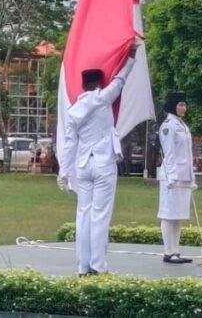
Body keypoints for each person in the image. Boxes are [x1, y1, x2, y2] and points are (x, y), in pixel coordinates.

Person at [58, 41, 139, 276]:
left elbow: (70, 144)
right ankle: (98, 265)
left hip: (83, 166)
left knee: (83, 215)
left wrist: (64, 172)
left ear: (83, 85)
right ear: (99, 83)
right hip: (103, 164)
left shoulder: (73, 111)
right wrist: (131, 54)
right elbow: (121, 79)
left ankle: (82, 266)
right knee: (100, 215)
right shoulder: (103, 98)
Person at [157, 92, 196, 264]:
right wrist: (171, 177)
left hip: (184, 175)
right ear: (173, 106)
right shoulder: (168, 126)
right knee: (168, 213)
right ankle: (168, 252)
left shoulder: (182, 125)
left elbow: (188, 154)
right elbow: (169, 153)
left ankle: (176, 250)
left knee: (179, 215)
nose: (184, 108)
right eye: (180, 104)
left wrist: (192, 178)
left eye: (185, 104)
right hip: (171, 177)